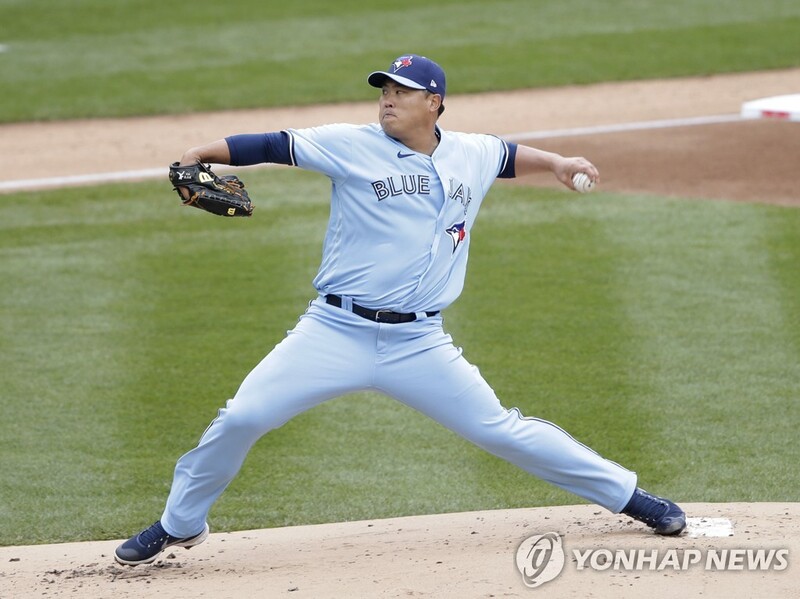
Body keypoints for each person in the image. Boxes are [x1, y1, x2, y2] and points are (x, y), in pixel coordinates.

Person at [114, 54, 686, 566]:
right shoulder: (350, 143)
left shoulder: (471, 152)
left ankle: (635, 499)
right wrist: (197, 155)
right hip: (333, 330)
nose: (388, 99)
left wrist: (558, 162)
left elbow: (508, 155)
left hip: (421, 344)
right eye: (384, 90)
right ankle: (179, 525)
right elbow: (269, 145)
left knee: (502, 431)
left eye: (402, 91)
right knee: (243, 417)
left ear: (433, 102)